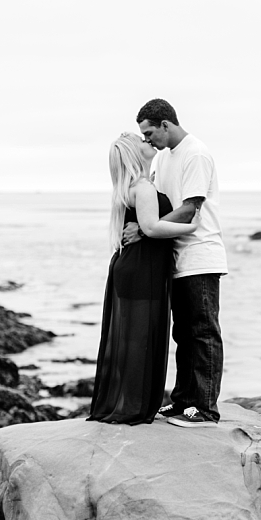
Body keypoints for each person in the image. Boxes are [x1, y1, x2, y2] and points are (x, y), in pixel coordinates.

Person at [123, 98, 228, 428]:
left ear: (166, 124)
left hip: (200, 255)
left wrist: (144, 230)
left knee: (203, 333)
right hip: (175, 257)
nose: (147, 140)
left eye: (150, 132)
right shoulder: (162, 158)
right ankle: (184, 401)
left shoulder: (195, 153)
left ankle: (206, 409)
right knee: (183, 333)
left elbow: (189, 208)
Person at [87, 132, 199, 425]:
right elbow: (150, 228)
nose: (146, 141)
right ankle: (133, 407)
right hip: (141, 269)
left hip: (133, 267)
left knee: (133, 339)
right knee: (140, 339)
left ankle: (127, 403)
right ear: (133, 155)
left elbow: (144, 227)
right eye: (140, 140)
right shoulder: (143, 187)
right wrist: (192, 227)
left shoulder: (133, 187)